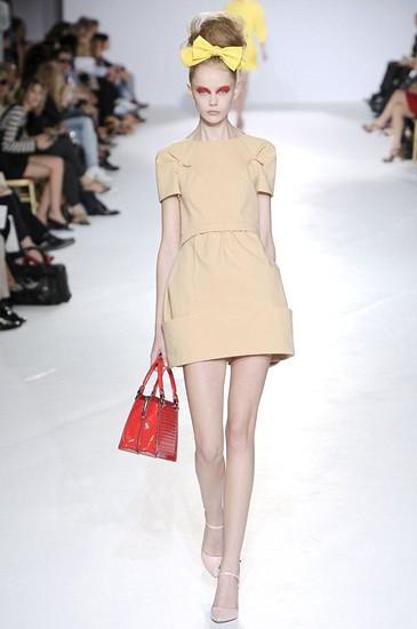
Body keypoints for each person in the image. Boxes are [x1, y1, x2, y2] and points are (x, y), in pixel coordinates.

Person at [151, 11, 294, 623]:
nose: (213, 100)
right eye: (203, 90)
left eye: (223, 89)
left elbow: (265, 237)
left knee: (240, 435)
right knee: (207, 445)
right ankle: (213, 520)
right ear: (191, 90)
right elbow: (168, 244)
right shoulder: (172, 158)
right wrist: (159, 325)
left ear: (236, 88)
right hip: (196, 296)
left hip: (253, 296)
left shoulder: (260, 153)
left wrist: (279, 304)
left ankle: (230, 570)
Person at [224, 0, 268, 129]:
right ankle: (235, 112)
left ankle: (239, 114)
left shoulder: (255, 7)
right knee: (234, 83)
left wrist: (263, 48)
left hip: (248, 50)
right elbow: (224, 29)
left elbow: (260, 28)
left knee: (242, 83)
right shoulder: (230, 7)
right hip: (232, 49)